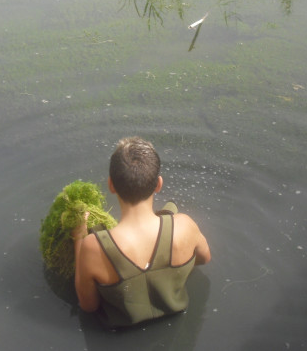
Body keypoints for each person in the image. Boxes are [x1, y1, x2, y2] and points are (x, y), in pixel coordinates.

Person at [72, 136, 211, 327]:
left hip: (118, 335)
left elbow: (88, 306)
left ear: (111, 185)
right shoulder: (184, 226)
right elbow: (205, 258)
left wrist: (78, 237)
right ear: (158, 184)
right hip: (176, 318)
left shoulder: (93, 246)